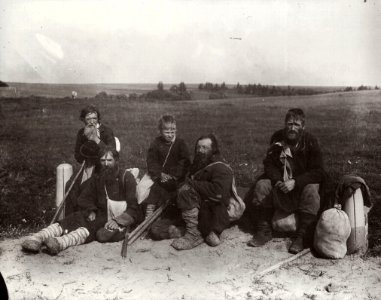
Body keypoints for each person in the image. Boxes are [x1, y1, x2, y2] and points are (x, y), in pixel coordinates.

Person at [21, 146, 142, 255]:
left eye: (109, 160)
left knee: (91, 227)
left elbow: (133, 207)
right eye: (102, 160)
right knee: (75, 217)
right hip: (98, 212)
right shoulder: (98, 177)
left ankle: (60, 242)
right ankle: (37, 237)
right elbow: (84, 198)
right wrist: (90, 210)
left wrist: (118, 221)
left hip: (116, 218)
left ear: (116, 161)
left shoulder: (126, 177)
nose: (106, 164)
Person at [246, 108, 326, 254]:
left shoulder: (310, 142)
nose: (292, 128)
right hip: (281, 185)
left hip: (301, 185)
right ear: (285, 124)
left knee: (312, 190)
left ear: (303, 127)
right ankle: (264, 230)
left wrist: (296, 182)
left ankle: (302, 236)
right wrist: (277, 181)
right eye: (289, 124)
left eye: (296, 124)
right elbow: (269, 164)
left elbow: (318, 171)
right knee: (262, 185)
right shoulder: (277, 138)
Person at [170, 134, 234, 250]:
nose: (200, 151)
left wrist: (192, 184)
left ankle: (194, 235)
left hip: (215, 209)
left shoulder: (220, 167)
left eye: (205, 147)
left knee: (185, 191)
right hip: (196, 206)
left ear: (213, 149)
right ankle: (200, 232)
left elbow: (219, 193)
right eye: (198, 147)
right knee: (158, 230)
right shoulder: (199, 163)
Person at [66, 105, 116, 215]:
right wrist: (86, 144)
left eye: (95, 118)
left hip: (102, 167)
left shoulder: (106, 131)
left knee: (87, 186)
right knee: (71, 186)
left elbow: (113, 153)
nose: (92, 121)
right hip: (87, 166)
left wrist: (96, 139)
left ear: (98, 118)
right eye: (88, 119)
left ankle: (88, 215)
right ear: (83, 119)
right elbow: (77, 156)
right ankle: (71, 217)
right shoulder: (81, 132)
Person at [140, 115, 190, 218]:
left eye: (173, 132)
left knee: (171, 191)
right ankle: (149, 212)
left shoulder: (180, 143)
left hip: (176, 177)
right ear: (160, 131)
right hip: (160, 175)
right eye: (167, 132)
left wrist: (174, 175)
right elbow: (151, 161)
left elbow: (185, 161)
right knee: (154, 188)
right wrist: (160, 174)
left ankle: (164, 213)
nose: (170, 135)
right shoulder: (156, 143)